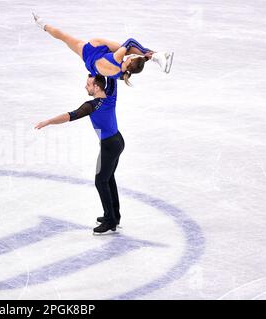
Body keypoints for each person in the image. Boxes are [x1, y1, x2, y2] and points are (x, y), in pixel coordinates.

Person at [35, 74, 124, 234]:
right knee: (108, 178)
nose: (85, 87)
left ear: (97, 87)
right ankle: (114, 215)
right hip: (118, 141)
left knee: (100, 181)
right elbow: (112, 72)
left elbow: (70, 115)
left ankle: (110, 220)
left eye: (88, 84)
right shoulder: (111, 94)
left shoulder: (91, 105)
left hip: (109, 146)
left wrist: (49, 121)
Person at [32, 12, 174, 86]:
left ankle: (42, 24)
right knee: (127, 49)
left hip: (94, 48)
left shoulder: (118, 58)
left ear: (130, 62)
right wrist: (145, 57)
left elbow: (131, 41)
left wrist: (144, 56)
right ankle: (157, 56)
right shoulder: (121, 75)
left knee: (65, 37)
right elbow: (135, 63)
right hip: (89, 61)